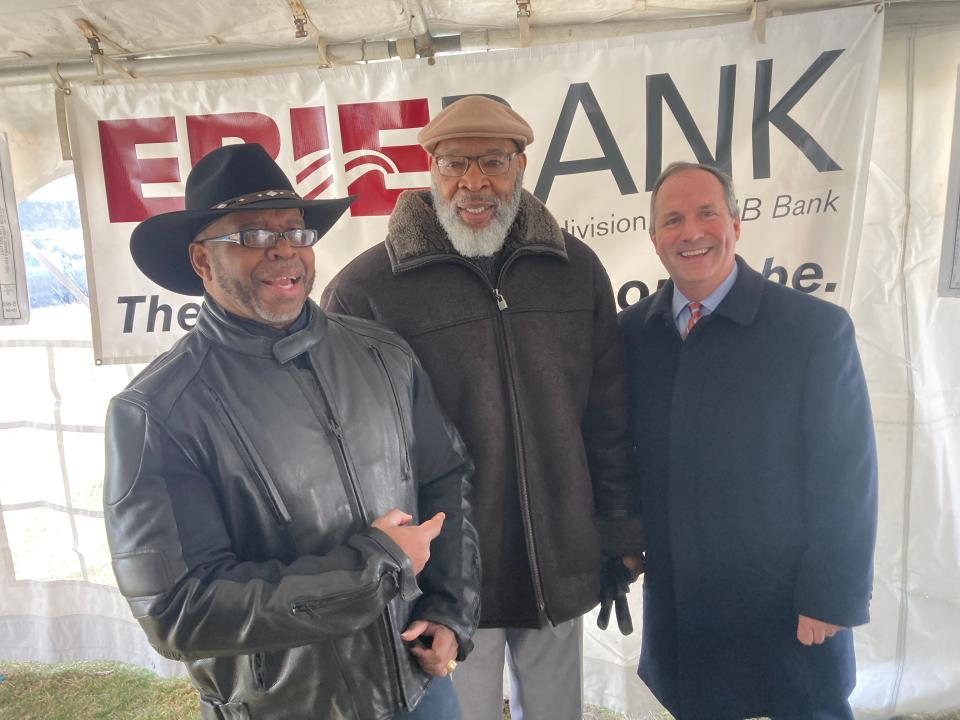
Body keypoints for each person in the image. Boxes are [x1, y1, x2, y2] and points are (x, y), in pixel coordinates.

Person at [103, 143, 481, 720]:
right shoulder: (156, 412)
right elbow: (179, 611)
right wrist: (372, 567)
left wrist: (452, 609)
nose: (283, 250)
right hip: (286, 707)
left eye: (295, 232)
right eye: (252, 236)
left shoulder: (385, 356)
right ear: (202, 262)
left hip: (420, 684)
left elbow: (445, 479)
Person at [322, 95, 643, 720]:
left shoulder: (575, 271)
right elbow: (348, 452)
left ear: (521, 164)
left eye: (493, 161)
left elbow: (607, 418)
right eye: (453, 163)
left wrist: (619, 533)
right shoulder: (366, 290)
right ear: (430, 169)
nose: (474, 182)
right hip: (443, 581)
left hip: (560, 557)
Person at [619, 161, 878, 720]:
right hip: (687, 606)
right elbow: (620, 449)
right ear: (654, 240)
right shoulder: (631, 334)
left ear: (736, 223)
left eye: (707, 213)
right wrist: (620, 539)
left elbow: (846, 475)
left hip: (787, 603)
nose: (691, 232)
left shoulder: (813, 330)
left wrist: (830, 593)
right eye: (673, 220)